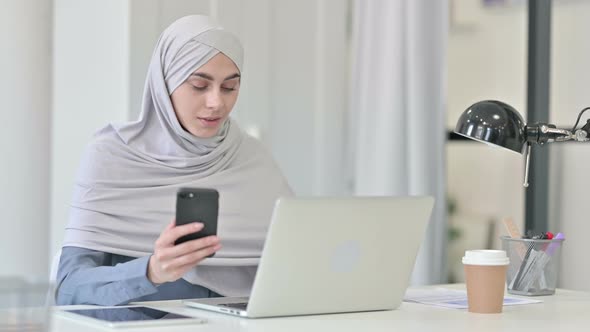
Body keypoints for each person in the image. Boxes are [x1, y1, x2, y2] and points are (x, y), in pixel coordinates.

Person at [55, 15, 292, 306]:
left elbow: (292, 262)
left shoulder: (253, 158)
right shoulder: (112, 155)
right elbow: (69, 289)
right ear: (164, 83)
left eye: (230, 87)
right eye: (199, 85)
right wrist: (151, 271)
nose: (217, 103)